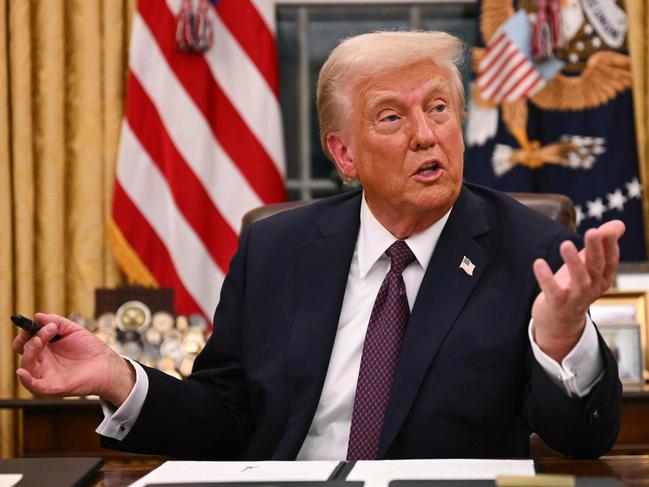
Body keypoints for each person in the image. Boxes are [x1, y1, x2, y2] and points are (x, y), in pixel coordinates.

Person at [13, 31, 624, 461]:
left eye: (439, 109)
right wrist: (118, 378)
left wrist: (562, 340)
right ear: (343, 154)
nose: (424, 135)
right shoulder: (275, 249)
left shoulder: (532, 249)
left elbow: (583, 441)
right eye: (391, 117)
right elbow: (226, 418)